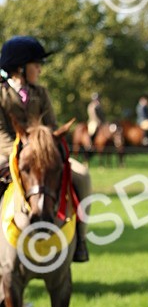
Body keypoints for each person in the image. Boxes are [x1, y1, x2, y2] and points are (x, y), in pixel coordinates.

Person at [0, 35, 91, 261]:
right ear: (20, 67)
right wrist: (22, 151)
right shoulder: (1, 93)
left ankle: (80, 239)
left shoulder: (41, 93)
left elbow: (51, 125)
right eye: (36, 64)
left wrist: (42, 149)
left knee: (82, 175)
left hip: (41, 154)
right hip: (6, 153)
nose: (40, 70)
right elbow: (1, 132)